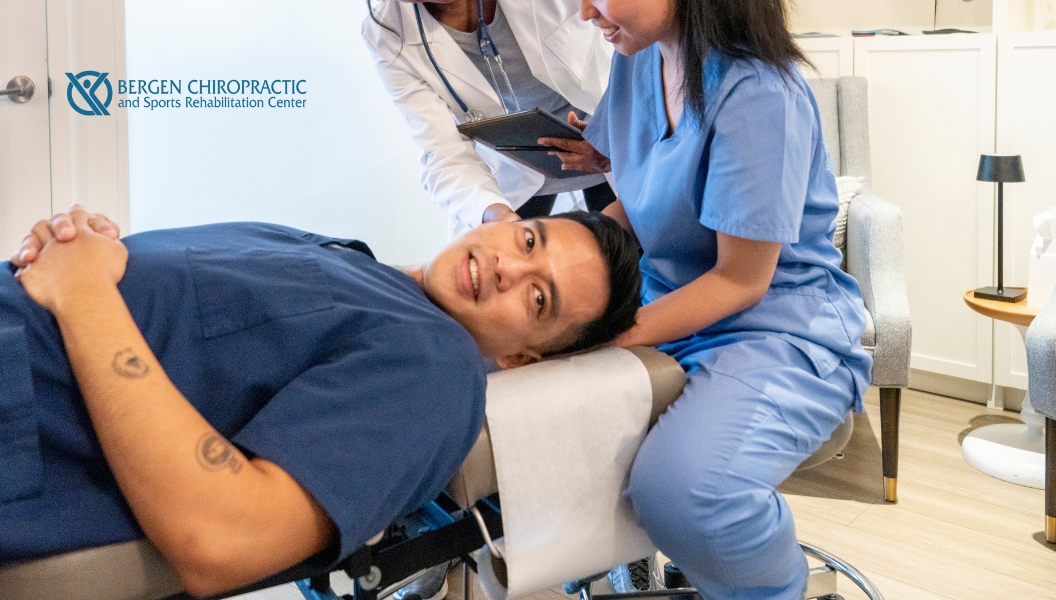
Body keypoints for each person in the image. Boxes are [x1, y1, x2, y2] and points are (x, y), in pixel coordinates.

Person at [0, 205, 640, 597]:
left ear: (520, 359)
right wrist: (77, 247)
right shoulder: (342, 256)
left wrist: (85, 296)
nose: (510, 269)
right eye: (529, 242)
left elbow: (223, 538)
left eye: (538, 300)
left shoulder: (436, 372)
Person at [550, 1, 874, 598]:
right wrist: (548, 261)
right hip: (667, 305)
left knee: (687, 491)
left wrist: (598, 336)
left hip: (775, 327)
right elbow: (642, 202)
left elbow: (740, 280)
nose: (582, 9)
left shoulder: (758, 92)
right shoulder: (637, 59)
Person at [362, 0, 617, 237]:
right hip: (516, 168)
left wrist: (618, 136)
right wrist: (497, 216)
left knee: (631, 253)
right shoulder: (388, 33)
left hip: (615, 126)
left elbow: (639, 43)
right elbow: (442, 153)